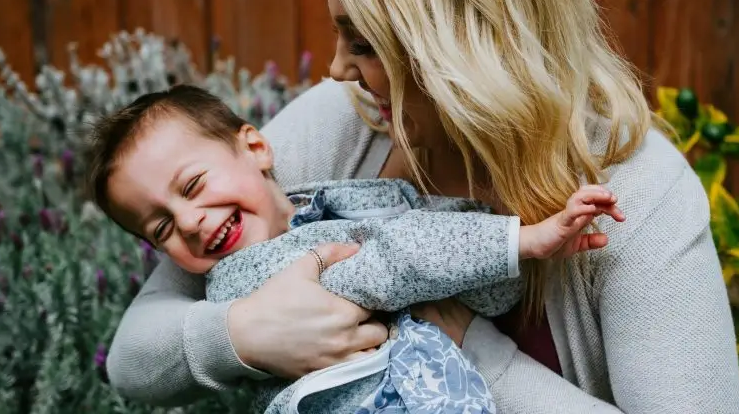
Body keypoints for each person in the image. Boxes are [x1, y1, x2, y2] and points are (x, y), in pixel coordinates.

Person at [106, 0, 739, 413]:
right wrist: (244, 335)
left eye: (364, 44)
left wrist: (471, 349)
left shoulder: (640, 194)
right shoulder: (346, 121)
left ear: (465, 47)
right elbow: (134, 356)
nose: (335, 70)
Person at [86, 84, 624, 413]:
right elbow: (392, 262)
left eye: (192, 186)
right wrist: (522, 240)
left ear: (255, 147)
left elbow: (460, 274)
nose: (190, 223)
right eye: (160, 230)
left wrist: (486, 275)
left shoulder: (331, 205)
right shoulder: (248, 279)